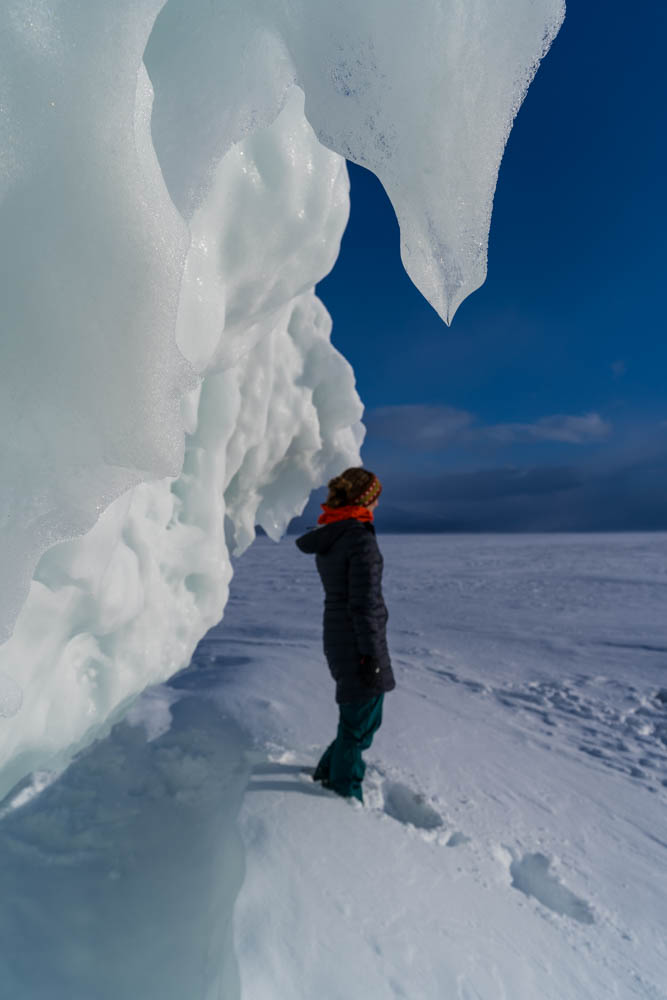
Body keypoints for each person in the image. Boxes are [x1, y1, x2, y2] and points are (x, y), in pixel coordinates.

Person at [295, 467, 395, 802]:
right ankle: (343, 795)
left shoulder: (336, 532)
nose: (379, 501)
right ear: (366, 499)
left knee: (356, 719)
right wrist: (370, 656)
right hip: (356, 642)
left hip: (340, 636)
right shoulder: (358, 539)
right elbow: (364, 604)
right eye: (376, 495)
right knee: (360, 726)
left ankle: (326, 773)